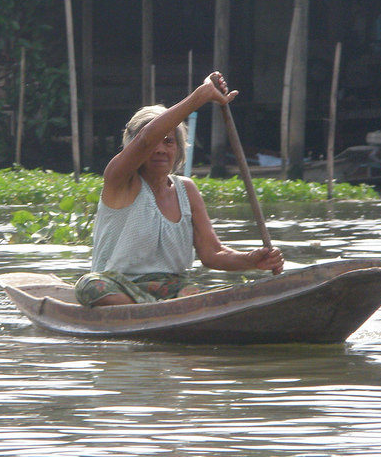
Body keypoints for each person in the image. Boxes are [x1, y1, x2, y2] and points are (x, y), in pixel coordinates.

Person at [75, 72, 284, 307]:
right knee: (90, 286)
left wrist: (251, 260)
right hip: (118, 287)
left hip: (170, 290)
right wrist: (199, 97)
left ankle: (156, 311)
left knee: (192, 291)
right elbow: (145, 139)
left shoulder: (187, 190)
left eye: (169, 141)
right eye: (155, 142)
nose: (160, 149)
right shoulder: (120, 180)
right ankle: (146, 311)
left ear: (178, 148)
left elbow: (212, 253)